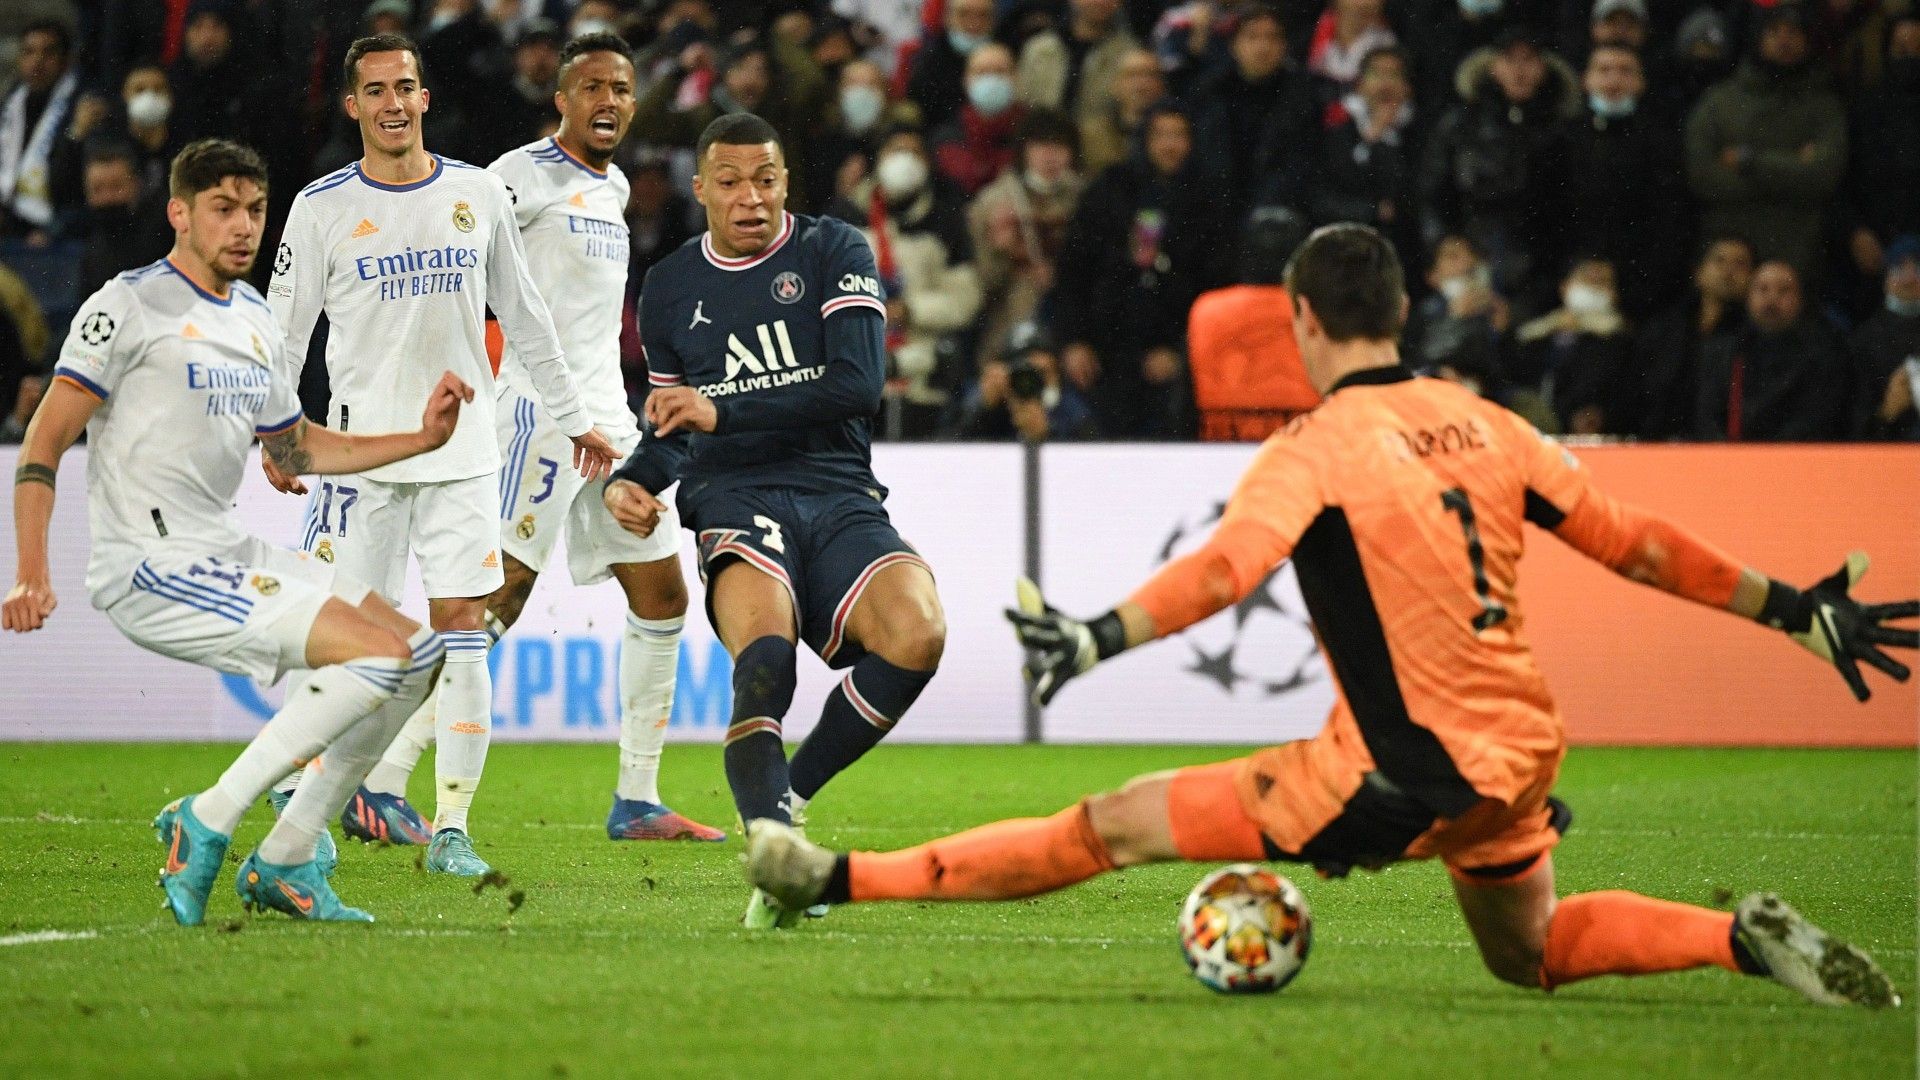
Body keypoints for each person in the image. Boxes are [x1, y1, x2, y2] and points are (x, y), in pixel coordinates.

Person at [743, 223, 1913, 1011]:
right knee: (1531, 955)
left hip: (1398, 769)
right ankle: (1740, 940)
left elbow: (1228, 568)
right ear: (1403, 309)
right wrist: (1794, 609)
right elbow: (1636, 541)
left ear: (1301, 317)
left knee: (1106, 825)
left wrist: (1105, 636)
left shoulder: (1317, 448)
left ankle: (828, 877)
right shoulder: (1486, 419)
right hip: (1516, 750)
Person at [3, 137, 471, 925]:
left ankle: (287, 857)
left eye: (255, 209)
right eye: (223, 208)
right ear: (179, 213)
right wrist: (31, 569)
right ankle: (211, 816)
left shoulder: (255, 318)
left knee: (422, 654)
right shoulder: (128, 305)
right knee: (379, 654)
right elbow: (43, 445)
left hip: (224, 549)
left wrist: (420, 439)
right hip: (149, 564)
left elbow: (299, 447)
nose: (244, 226)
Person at [344, 33, 726, 846]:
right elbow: (451, 252)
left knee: (662, 594)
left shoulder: (616, 186)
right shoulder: (518, 176)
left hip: (607, 425)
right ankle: (373, 777)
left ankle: (636, 797)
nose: (610, 102)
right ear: (562, 99)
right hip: (536, 416)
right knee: (490, 605)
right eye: (592, 88)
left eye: (621, 88)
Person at [263, 34, 618, 877]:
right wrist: (278, 434)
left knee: (464, 631)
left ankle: (452, 826)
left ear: (426, 98)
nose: (393, 103)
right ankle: (306, 800)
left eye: (407, 88)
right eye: (376, 90)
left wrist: (573, 419)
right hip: (361, 461)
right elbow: (282, 333)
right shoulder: (319, 207)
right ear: (352, 105)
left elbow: (527, 319)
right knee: (352, 646)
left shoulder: (476, 193)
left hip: (464, 457)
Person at [607, 112, 946, 929]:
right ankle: (774, 855)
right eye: (729, 182)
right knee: (765, 660)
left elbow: (857, 385)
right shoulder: (670, 288)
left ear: (785, 182)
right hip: (733, 497)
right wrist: (638, 477)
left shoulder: (835, 251)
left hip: (836, 490)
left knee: (918, 634)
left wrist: (718, 407)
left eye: (765, 179)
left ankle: (785, 801)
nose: (749, 198)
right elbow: (676, 425)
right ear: (701, 190)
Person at [1685, 3, 1846, 288]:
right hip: (1726, 247)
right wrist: (1792, 169)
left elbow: (1823, 176)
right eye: (1774, 31)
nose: (1784, 40)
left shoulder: (1823, 106)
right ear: (1758, 37)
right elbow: (1701, 175)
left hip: (1797, 252)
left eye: (1793, 32)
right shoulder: (1720, 101)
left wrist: (1749, 163)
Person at [1692, 260, 1849, 441]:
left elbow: (1815, 423)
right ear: (1748, 296)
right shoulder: (1723, 353)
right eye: (1763, 289)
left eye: (1784, 290)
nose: (1772, 298)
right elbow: (1707, 418)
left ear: (1800, 299)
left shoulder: (1824, 355)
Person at [1636, 234, 1754, 440]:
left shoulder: (1754, 337)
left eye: (1740, 264)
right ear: (1698, 273)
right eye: (1719, 261)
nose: (1729, 271)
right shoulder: (1664, 330)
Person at [1, 19, 82, 241]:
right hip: (12, 218)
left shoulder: (79, 106)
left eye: (48, 53)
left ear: (65, 60)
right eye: (29, 52)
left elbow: (74, 190)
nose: (37, 61)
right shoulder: (11, 104)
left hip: (57, 226)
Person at [1846, 235, 1920, 440]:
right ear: (1886, 278)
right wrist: (1887, 411)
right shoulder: (1864, 340)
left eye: (1918, 269)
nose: (1909, 278)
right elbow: (1854, 420)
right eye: (1899, 268)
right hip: (1890, 448)